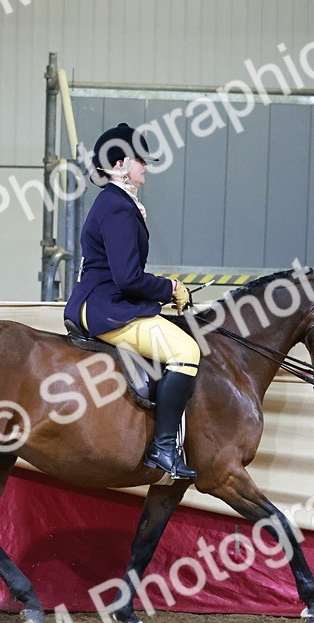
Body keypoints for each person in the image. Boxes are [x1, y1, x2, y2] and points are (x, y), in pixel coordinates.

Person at [63, 123, 201, 480]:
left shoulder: (115, 202)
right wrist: (170, 288)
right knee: (187, 352)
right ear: (121, 163)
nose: (147, 166)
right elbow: (128, 279)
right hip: (106, 307)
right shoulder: (119, 208)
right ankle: (164, 447)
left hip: (97, 300)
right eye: (141, 160)